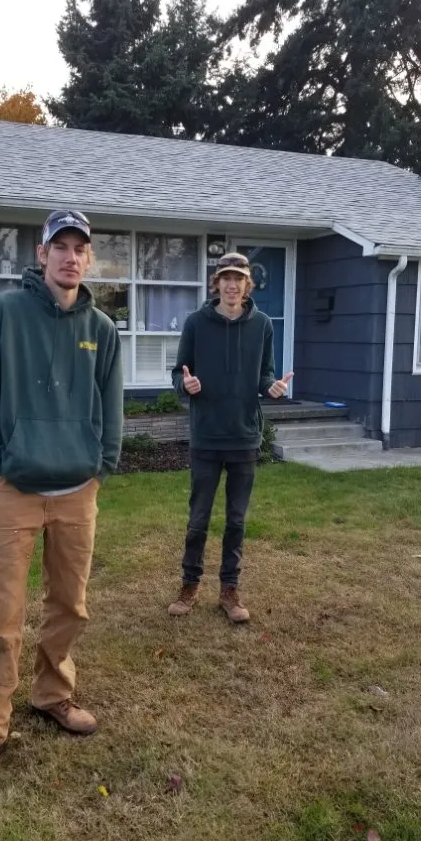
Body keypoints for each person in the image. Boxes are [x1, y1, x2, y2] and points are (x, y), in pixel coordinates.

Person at [0, 209, 123, 785]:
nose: (70, 257)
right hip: (15, 492)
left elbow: (112, 404)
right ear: (41, 253)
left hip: (78, 492)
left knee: (69, 607)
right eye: (61, 247)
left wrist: (102, 466)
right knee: (1, 618)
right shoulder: (5, 314)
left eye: (80, 248)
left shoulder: (100, 328)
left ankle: (54, 696)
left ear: (88, 258)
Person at [170, 252, 292, 623]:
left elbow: (264, 374)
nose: (232, 284)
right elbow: (179, 373)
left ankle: (229, 591)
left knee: (236, 521)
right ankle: (189, 585)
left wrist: (271, 387)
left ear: (246, 284)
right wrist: (186, 384)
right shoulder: (196, 323)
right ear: (216, 283)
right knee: (198, 519)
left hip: (244, 437)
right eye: (225, 277)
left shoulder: (263, 325)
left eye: (238, 278)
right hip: (207, 436)